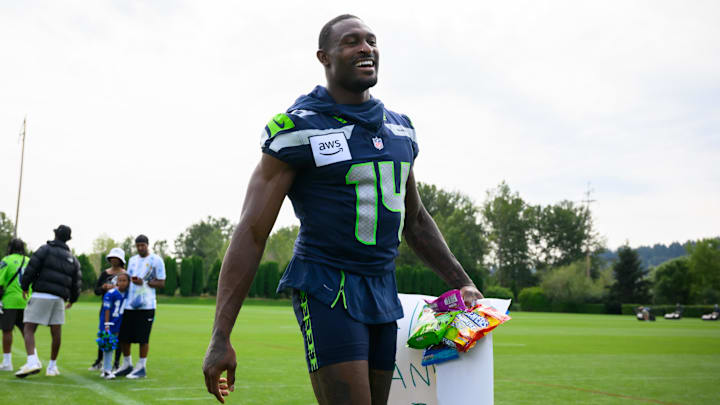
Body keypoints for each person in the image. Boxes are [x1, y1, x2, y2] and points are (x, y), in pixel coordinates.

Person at [202, 14, 483, 404]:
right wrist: (221, 337)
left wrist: (461, 281)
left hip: (382, 287)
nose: (366, 48)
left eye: (371, 41)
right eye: (352, 42)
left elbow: (415, 221)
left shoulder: (400, 128)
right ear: (325, 57)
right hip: (326, 284)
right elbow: (252, 231)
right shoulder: (298, 127)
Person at [15, 225, 81, 378]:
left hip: (41, 294)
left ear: (55, 235)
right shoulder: (73, 259)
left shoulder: (45, 249)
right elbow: (76, 282)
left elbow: (31, 268)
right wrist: (73, 299)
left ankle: (32, 361)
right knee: (56, 331)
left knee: (29, 328)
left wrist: (24, 286)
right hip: (59, 299)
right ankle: (52, 367)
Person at [115, 234, 165, 379]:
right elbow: (128, 278)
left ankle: (141, 367)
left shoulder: (156, 260)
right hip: (130, 304)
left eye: (143, 245)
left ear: (148, 245)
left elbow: (162, 283)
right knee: (124, 337)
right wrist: (122, 285)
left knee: (143, 338)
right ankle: (127, 364)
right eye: (138, 245)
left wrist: (144, 282)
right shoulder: (132, 260)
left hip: (147, 305)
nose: (140, 248)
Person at [89, 247, 127, 371]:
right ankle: (99, 361)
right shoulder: (105, 274)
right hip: (106, 308)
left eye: (116, 258)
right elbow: (96, 291)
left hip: (120, 309)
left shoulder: (125, 274)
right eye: (112, 258)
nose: (114, 260)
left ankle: (116, 362)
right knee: (104, 333)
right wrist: (104, 288)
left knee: (119, 335)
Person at [0, 239, 31, 372]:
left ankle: (7, 362)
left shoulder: (6, 260)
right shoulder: (29, 261)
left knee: (7, 330)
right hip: (26, 300)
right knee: (28, 331)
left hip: (10, 301)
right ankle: (33, 360)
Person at [98, 272, 129, 379]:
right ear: (116, 282)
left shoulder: (128, 293)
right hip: (109, 323)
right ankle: (106, 370)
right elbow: (106, 309)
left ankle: (107, 369)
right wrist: (106, 324)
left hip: (119, 324)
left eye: (124, 280)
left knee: (114, 346)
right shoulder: (111, 293)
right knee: (108, 346)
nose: (122, 283)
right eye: (120, 280)